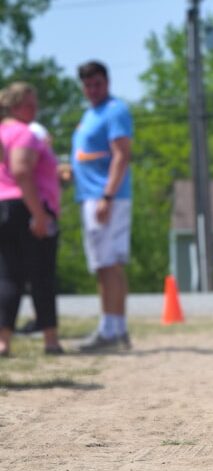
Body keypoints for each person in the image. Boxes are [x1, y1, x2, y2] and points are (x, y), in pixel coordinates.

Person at [71, 60, 134, 352]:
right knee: (107, 264)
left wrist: (107, 197)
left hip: (105, 198)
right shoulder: (90, 113)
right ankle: (116, 328)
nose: (92, 89)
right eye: (87, 84)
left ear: (107, 82)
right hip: (94, 195)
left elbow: (121, 155)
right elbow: (91, 155)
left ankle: (109, 330)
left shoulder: (114, 110)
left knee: (107, 265)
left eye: (97, 83)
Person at [0, 82, 63, 356]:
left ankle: (3, 341)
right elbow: (22, 171)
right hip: (23, 207)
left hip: (3, 206)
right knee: (42, 275)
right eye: (29, 104)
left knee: (8, 276)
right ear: (14, 106)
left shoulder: (3, 132)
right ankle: (50, 340)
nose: (35, 108)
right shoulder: (22, 133)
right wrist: (38, 215)